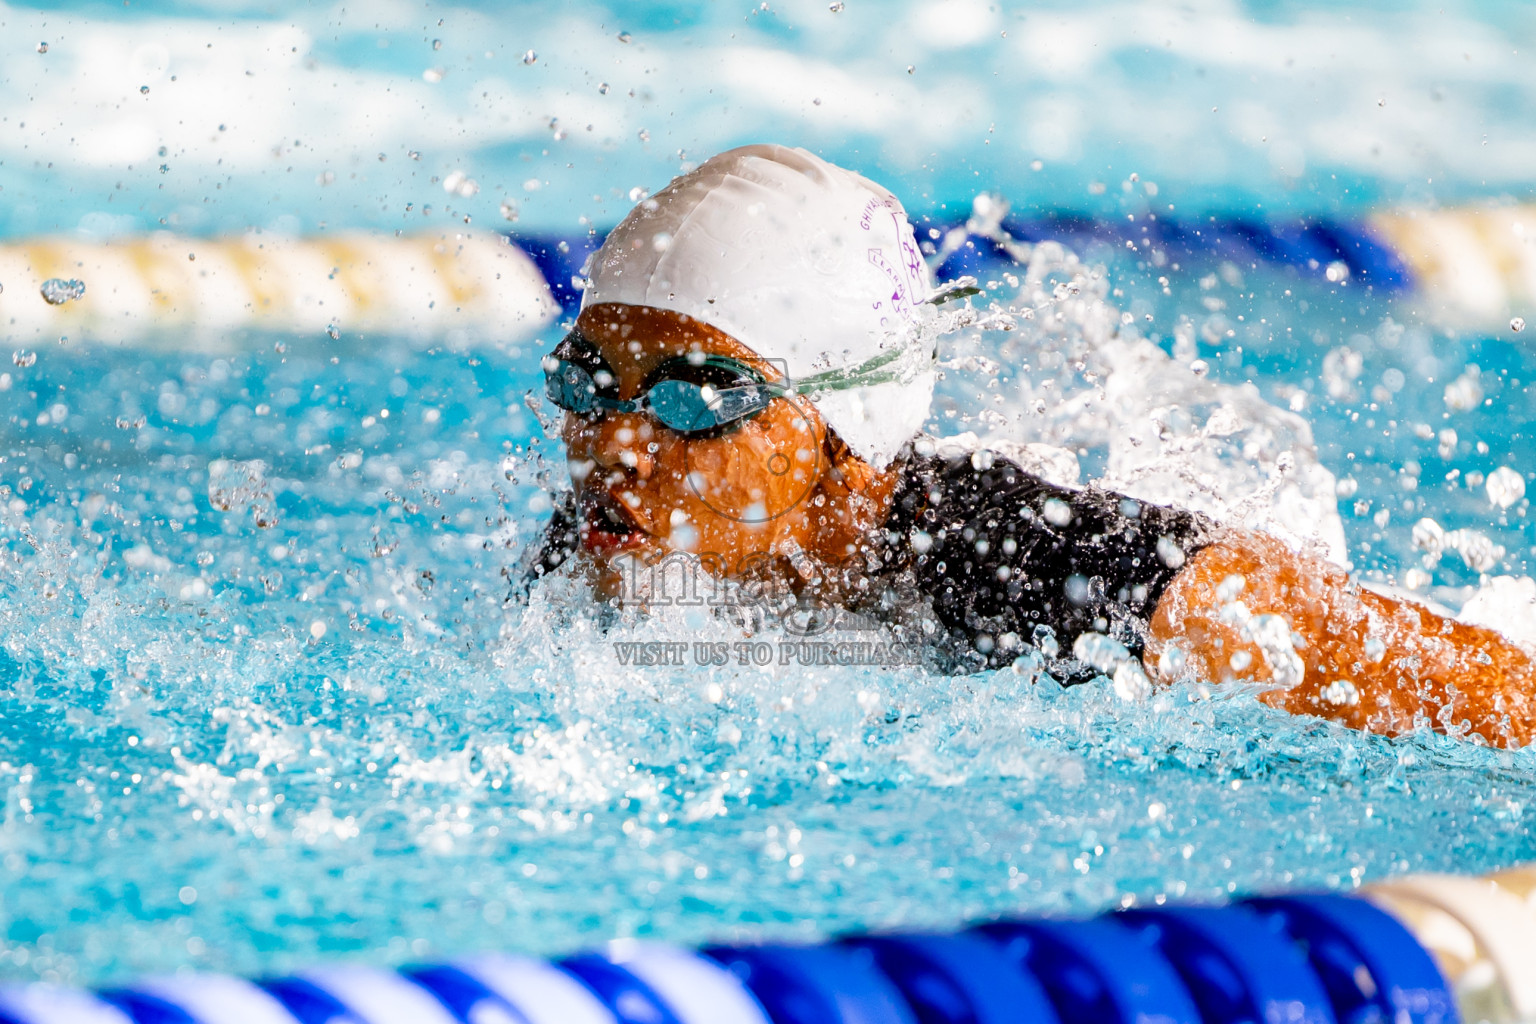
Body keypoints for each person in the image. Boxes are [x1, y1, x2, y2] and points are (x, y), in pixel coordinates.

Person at [524, 143, 1536, 748]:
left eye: (699, 398)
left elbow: (1473, 691)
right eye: (587, 378)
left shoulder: (1033, 566)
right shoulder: (610, 539)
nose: (615, 444)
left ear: (845, 435)